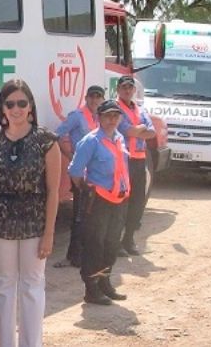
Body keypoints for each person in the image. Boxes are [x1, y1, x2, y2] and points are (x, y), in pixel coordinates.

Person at [0, 79, 61, 347]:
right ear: (2, 108)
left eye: (22, 103)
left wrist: (49, 233)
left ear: (30, 107)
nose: (16, 109)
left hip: (35, 225)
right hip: (0, 225)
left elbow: (53, 191)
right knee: (4, 287)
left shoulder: (46, 141)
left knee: (32, 286)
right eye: (10, 104)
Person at [68, 100, 131, 305]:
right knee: (95, 244)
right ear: (99, 118)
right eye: (107, 116)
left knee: (112, 243)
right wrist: (87, 191)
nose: (112, 120)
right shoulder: (91, 141)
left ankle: (105, 283)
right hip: (98, 201)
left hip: (119, 199)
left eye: (115, 116)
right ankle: (92, 289)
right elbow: (75, 171)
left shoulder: (119, 138)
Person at [55, 85, 105, 267]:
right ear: (86, 98)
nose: (95, 100)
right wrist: (69, 155)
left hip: (97, 175)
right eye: (92, 96)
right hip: (81, 175)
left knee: (93, 216)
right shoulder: (77, 116)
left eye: (98, 97)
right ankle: (73, 256)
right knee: (79, 216)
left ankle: (86, 254)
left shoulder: (102, 118)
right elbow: (56, 134)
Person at [115, 75, 155, 256]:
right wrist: (140, 129)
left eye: (130, 87)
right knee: (121, 202)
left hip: (139, 160)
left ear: (134, 90)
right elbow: (125, 129)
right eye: (124, 87)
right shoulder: (114, 109)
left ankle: (128, 239)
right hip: (122, 161)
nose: (127, 90)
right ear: (118, 89)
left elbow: (152, 132)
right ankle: (115, 241)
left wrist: (136, 130)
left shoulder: (140, 109)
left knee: (137, 202)